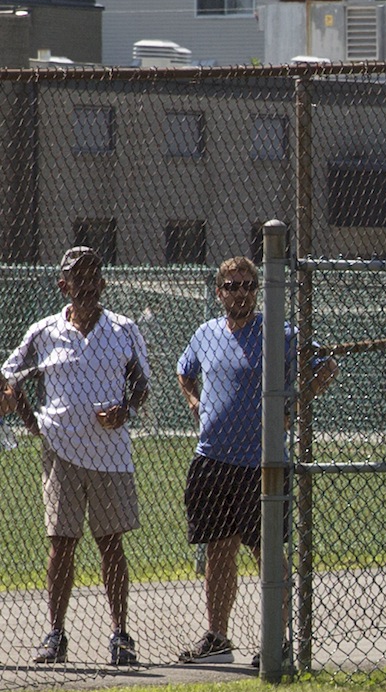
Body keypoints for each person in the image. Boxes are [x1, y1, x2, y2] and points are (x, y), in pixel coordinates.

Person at [174, 257, 338, 664]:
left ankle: (277, 641)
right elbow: (184, 371)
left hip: (262, 462)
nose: (240, 293)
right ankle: (217, 637)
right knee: (218, 549)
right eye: (232, 286)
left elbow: (326, 367)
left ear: (256, 290)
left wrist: (294, 404)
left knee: (267, 552)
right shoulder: (206, 334)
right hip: (213, 459)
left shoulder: (279, 332)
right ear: (219, 292)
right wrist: (194, 400)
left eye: (248, 286)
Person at [2, 246, 152, 665]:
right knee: (61, 544)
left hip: (110, 455)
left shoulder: (123, 330)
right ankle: (55, 634)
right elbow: (9, 377)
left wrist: (126, 411)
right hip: (61, 452)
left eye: (92, 277)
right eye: (76, 278)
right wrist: (31, 421)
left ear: (103, 283)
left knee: (111, 544)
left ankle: (121, 634)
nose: (85, 286)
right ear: (62, 285)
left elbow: (141, 385)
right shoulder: (43, 332)